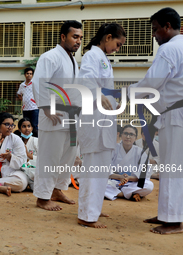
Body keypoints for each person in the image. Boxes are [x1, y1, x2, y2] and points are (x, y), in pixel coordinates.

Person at [128, 7, 183, 234]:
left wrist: (122, 95)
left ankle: (174, 222)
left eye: (155, 30)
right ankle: (167, 214)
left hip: (176, 116)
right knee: (169, 167)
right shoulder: (181, 48)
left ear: (167, 26)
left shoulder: (169, 50)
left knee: (174, 168)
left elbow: (150, 84)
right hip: (174, 115)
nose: (154, 35)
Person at [77, 23, 126, 228]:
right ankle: (86, 216)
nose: (118, 48)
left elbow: (104, 89)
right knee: (92, 169)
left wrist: (115, 102)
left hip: (104, 121)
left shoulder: (104, 58)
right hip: (94, 121)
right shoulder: (92, 56)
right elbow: (87, 81)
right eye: (117, 43)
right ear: (107, 37)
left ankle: (93, 208)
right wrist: (100, 97)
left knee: (102, 169)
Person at [31, 20, 83, 211]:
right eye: (74, 36)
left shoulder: (71, 60)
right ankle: (42, 197)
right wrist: (46, 107)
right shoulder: (50, 57)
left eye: (80, 37)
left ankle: (57, 190)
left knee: (67, 157)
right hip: (53, 115)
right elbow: (39, 82)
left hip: (70, 116)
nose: (78, 41)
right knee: (49, 157)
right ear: (63, 37)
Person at [104, 125, 154, 201]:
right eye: (125, 133)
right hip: (113, 181)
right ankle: (126, 194)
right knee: (96, 182)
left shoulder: (140, 152)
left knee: (149, 185)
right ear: (121, 135)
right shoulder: (113, 149)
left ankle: (119, 193)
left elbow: (144, 174)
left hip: (131, 183)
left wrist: (129, 178)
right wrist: (119, 177)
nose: (128, 137)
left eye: (131, 134)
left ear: (136, 137)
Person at [14, 117, 38, 190]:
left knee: (36, 189)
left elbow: (44, 159)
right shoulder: (17, 142)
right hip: (21, 171)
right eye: (24, 126)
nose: (27, 129)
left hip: (34, 172)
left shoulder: (36, 141)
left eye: (29, 126)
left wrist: (28, 155)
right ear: (19, 129)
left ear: (32, 128)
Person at [17, 68, 39, 132]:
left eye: (30, 74)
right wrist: (23, 100)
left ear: (32, 75)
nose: (29, 75)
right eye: (27, 73)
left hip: (34, 108)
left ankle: (36, 140)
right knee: (26, 125)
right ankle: (27, 139)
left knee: (34, 125)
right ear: (25, 75)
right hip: (25, 109)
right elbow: (19, 94)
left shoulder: (35, 84)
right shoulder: (22, 85)